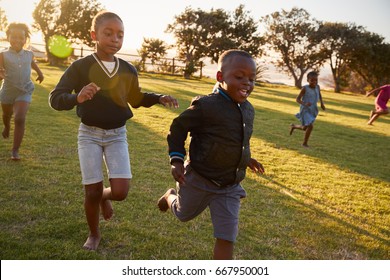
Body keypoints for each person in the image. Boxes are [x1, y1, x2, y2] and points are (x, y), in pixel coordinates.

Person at [49, 11, 178, 251]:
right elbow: (55, 98)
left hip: (117, 134)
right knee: (92, 191)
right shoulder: (80, 67)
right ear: (93, 35)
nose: (115, 39)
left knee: (120, 191)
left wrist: (159, 97)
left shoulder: (128, 69)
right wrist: (77, 97)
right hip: (89, 134)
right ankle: (94, 234)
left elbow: (136, 98)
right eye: (108, 33)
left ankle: (104, 200)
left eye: (120, 35)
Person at [157, 49, 264, 260]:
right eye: (239, 77)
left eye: (252, 79)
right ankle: (170, 197)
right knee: (183, 214)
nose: (247, 83)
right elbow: (178, 128)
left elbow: (238, 139)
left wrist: (245, 158)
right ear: (220, 77)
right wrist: (177, 160)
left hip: (229, 186)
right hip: (199, 178)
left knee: (226, 236)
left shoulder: (248, 109)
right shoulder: (206, 105)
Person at [0, 23, 44, 160]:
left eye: (21, 37)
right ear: (8, 37)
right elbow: (0, 69)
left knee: (19, 118)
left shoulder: (29, 54)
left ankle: (15, 151)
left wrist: (39, 72)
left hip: (24, 90)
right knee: (7, 115)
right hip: (8, 91)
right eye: (14, 37)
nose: (17, 40)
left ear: (26, 39)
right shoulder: (3, 55)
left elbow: (32, 63)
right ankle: (6, 126)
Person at [289, 71, 325, 147]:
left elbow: (320, 95)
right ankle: (304, 143)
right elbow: (297, 99)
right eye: (312, 80)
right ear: (308, 80)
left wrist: (322, 103)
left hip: (313, 110)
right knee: (310, 126)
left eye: (316, 80)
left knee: (305, 128)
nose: (314, 82)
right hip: (305, 110)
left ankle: (294, 126)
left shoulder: (317, 87)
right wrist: (305, 104)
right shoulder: (305, 88)